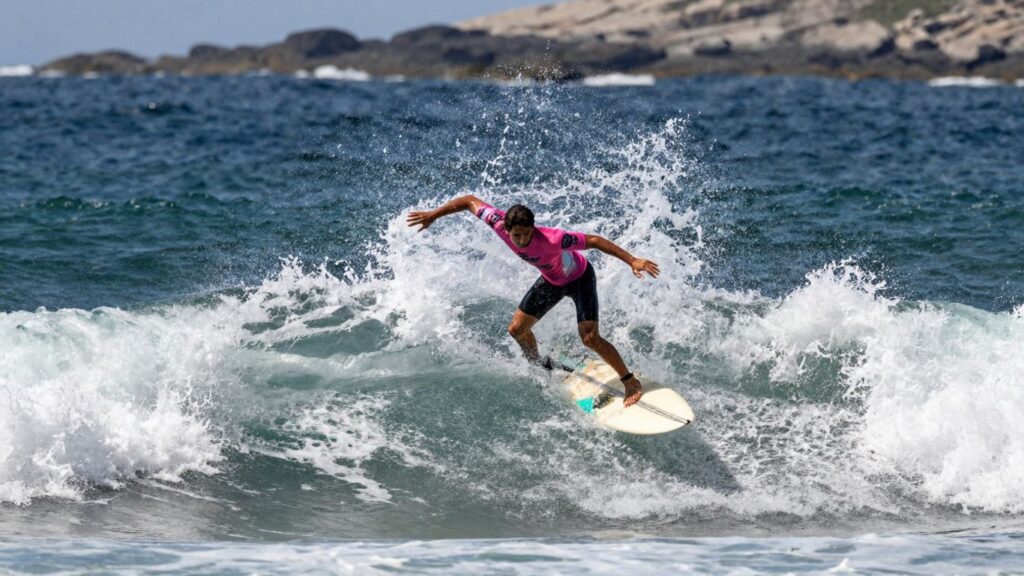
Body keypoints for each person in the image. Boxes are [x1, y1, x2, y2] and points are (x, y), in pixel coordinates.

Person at [407, 195, 660, 407]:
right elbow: (470, 201)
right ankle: (540, 366)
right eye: (517, 235)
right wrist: (433, 215)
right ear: (507, 229)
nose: (522, 240)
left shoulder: (553, 238)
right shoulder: (497, 222)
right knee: (517, 330)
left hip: (580, 277)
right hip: (551, 280)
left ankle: (629, 380)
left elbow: (593, 241)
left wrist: (632, 260)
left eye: (526, 234)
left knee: (590, 338)